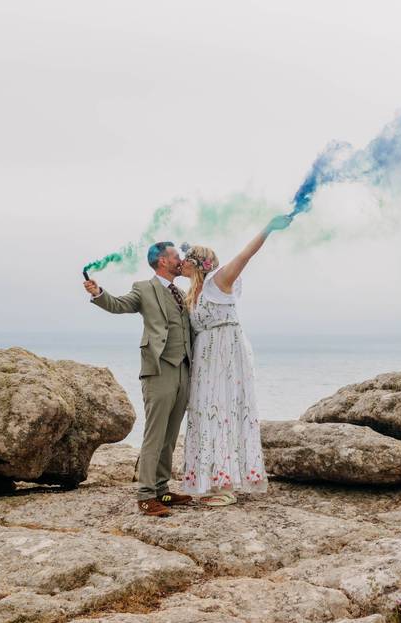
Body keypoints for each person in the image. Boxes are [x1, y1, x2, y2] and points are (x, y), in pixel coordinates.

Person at [180, 214, 291, 506]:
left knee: (223, 407)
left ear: (196, 263)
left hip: (225, 351)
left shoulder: (220, 281)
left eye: (186, 260)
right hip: (207, 357)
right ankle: (212, 480)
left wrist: (268, 229)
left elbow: (246, 254)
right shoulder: (194, 291)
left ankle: (226, 486)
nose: (181, 263)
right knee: (206, 410)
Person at [83, 242, 194, 517]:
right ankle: (145, 496)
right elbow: (119, 305)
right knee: (155, 433)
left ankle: (161, 489)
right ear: (162, 261)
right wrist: (98, 293)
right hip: (159, 368)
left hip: (184, 368)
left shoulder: (181, 292)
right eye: (176, 256)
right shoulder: (144, 288)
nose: (181, 260)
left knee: (170, 434)